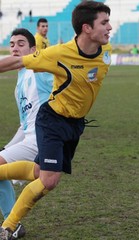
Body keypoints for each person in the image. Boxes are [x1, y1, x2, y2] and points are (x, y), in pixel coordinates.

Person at [0, 1, 112, 239]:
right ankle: (8, 227)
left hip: (75, 125)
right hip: (52, 120)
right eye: (104, 22)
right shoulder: (58, 54)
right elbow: (18, 62)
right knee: (49, 180)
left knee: (40, 171)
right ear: (86, 28)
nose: (110, 27)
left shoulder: (107, 52)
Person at [0, 28, 53, 239]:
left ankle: (11, 224)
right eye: (12, 44)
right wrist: (7, 147)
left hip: (42, 141)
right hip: (29, 138)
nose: (15, 47)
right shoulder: (19, 83)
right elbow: (24, 125)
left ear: (33, 49)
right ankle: (12, 223)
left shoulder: (38, 72)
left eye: (21, 44)